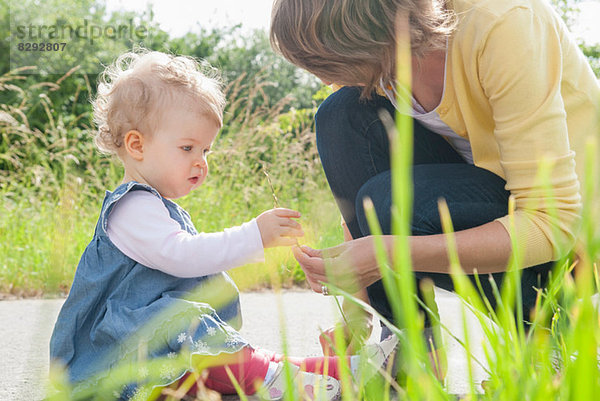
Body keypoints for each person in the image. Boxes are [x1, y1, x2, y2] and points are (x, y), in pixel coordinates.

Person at [48, 49, 399, 401]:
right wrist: (253, 236)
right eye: (188, 148)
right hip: (120, 354)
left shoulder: (155, 206)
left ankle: (340, 373)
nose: (201, 162)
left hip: (161, 352)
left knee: (235, 355)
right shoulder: (132, 207)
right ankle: (296, 384)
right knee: (208, 339)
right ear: (136, 145)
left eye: (206, 151)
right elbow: (181, 256)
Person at [270, 0, 600, 359]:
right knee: (341, 114)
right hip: (491, 202)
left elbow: (553, 223)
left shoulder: (503, 22)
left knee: (394, 199)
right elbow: (359, 180)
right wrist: (356, 306)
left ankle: (553, 340)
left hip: (573, 241)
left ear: (370, 33)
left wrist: (390, 254)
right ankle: (411, 347)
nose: (326, 79)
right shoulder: (382, 55)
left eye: (329, 63)